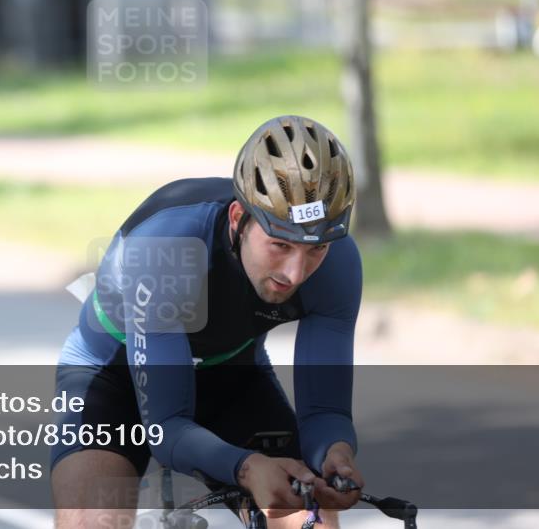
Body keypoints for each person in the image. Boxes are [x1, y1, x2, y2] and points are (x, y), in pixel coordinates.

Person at [51, 115, 364, 528]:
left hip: (231, 378)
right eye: (279, 245)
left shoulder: (338, 264)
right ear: (238, 219)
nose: (295, 272)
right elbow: (166, 428)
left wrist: (334, 455)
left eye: (315, 249)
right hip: (112, 375)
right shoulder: (167, 247)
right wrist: (248, 468)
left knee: (311, 521)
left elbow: (325, 409)